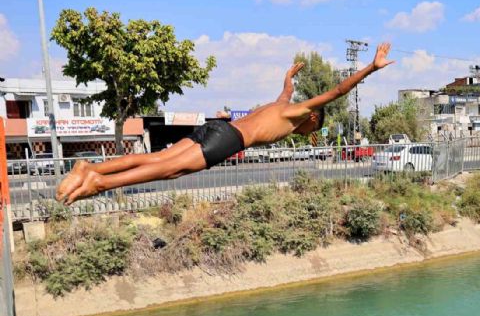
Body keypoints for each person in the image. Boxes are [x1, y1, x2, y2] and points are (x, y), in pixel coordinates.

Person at [56, 43, 395, 204]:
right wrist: (370, 69)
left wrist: (288, 76)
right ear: (310, 118)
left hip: (213, 128)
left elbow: (285, 91)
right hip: (228, 139)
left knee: (158, 159)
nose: (309, 134)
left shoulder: (281, 106)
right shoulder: (297, 114)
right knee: (169, 170)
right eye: (313, 129)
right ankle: (98, 183)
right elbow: (336, 91)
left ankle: (90, 168)